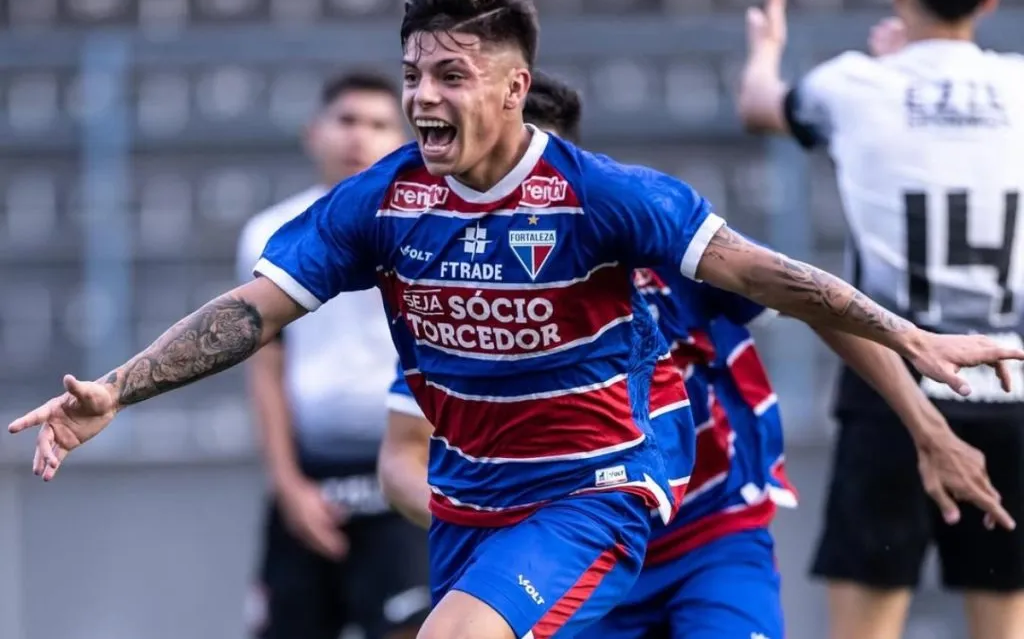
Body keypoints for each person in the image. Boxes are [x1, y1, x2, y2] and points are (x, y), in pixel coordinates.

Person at [10, 0, 1024, 639]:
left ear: (513, 88)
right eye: (414, 74)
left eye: (449, 75)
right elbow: (254, 310)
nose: (422, 97)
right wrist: (117, 387)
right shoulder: (387, 206)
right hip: (477, 517)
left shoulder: (618, 211)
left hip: (639, 507)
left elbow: (792, 290)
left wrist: (917, 370)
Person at [379, 72, 1013, 639]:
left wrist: (927, 427)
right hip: (565, 546)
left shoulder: (663, 246)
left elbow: (814, 302)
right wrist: (491, 514)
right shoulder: (452, 297)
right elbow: (402, 456)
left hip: (711, 534)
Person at [737, 0, 1024, 637]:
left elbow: (757, 105)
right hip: (1009, 375)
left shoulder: (852, 84)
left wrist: (766, 48)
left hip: (892, 372)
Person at [236, 71, 428, 639]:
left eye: (377, 125)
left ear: (403, 141)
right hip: (310, 479)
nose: (358, 138)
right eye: (346, 121)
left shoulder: (428, 230)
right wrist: (287, 486)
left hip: (405, 466)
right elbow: (265, 371)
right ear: (312, 133)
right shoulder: (270, 235)